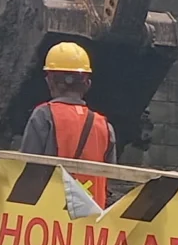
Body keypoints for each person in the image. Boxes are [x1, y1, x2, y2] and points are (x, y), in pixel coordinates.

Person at [21, 40, 114, 204]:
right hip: (91, 220)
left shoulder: (44, 116)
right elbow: (109, 179)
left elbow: (26, 171)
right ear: (87, 84)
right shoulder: (105, 127)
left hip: (50, 217)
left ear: (49, 81)